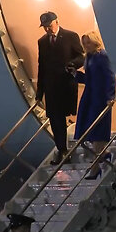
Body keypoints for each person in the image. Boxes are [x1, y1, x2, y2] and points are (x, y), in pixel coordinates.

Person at [35, 11, 85, 165]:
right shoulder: (42, 42)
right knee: (55, 120)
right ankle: (62, 150)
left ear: (57, 22)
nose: (48, 30)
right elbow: (41, 67)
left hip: (66, 84)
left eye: (49, 26)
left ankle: (69, 149)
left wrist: (73, 64)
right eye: (45, 27)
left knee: (64, 116)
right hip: (51, 87)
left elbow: (80, 56)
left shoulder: (70, 36)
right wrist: (39, 93)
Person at [72, 31, 116, 180]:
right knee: (90, 130)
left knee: (97, 131)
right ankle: (103, 155)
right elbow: (90, 79)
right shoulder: (89, 57)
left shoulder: (102, 55)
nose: (86, 45)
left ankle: (95, 167)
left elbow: (110, 76)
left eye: (88, 42)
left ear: (95, 41)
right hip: (90, 96)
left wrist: (110, 96)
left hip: (100, 97)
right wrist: (76, 75)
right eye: (84, 43)